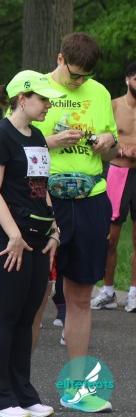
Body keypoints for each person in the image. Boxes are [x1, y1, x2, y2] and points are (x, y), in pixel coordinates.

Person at [33, 32, 118, 412]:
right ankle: (17, 390)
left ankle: (78, 388)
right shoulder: (35, 88)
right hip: (44, 198)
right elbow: (12, 143)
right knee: (35, 295)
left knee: (81, 296)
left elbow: (111, 147)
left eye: (86, 76)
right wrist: (52, 142)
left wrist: (106, 141)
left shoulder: (99, 92)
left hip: (90, 198)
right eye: (74, 74)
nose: (79, 81)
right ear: (59, 58)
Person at [0, 71, 63, 417]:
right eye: (42, 99)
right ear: (22, 98)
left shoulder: (38, 135)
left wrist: (54, 227)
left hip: (38, 237)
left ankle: (22, 393)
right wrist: (14, 234)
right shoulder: (0, 135)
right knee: (7, 315)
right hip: (8, 239)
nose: (47, 106)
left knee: (27, 316)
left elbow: (41, 186)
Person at [93, 60, 136, 311]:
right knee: (111, 238)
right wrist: (121, 150)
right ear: (128, 79)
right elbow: (99, 140)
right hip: (118, 173)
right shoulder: (113, 106)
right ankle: (108, 291)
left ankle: (133, 293)